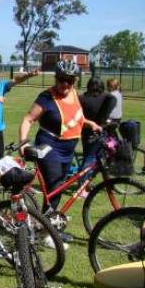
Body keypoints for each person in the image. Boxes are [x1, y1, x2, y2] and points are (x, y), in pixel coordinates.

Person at [19, 60, 101, 237]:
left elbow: (75, 118)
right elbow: (28, 119)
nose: (65, 84)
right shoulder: (46, 97)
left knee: (57, 190)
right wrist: (24, 142)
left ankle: (45, 226)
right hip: (49, 148)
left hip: (68, 150)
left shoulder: (73, 94)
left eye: (70, 80)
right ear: (56, 78)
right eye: (62, 79)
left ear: (75, 81)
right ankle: (45, 232)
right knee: (54, 190)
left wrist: (90, 123)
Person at [79, 78, 116, 196]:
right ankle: (81, 186)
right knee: (91, 158)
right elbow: (113, 99)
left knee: (88, 156)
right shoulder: (105, 97)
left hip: (85, 130)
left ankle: (86, 182)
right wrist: (104, 118)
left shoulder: (81, 98)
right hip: (98, 130)